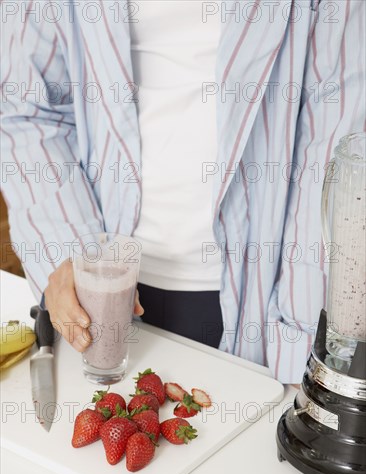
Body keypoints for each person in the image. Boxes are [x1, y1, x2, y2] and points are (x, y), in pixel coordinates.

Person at [1, 0, 365, 383]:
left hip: (264, 305)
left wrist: (302, 350)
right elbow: (29, 113)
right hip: (99, 290)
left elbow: (334, 157)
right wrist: (69, 258)